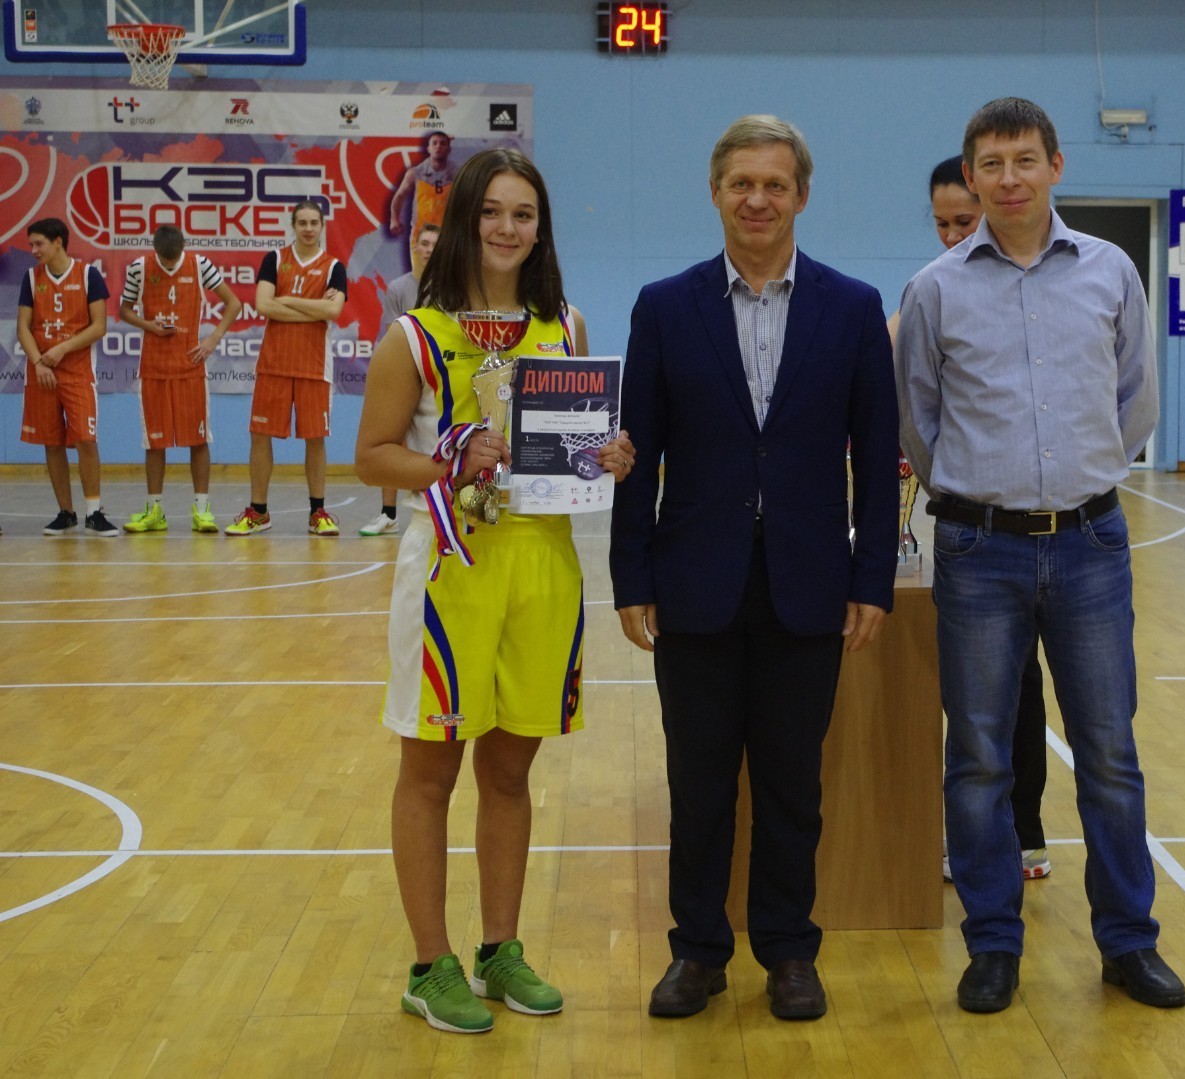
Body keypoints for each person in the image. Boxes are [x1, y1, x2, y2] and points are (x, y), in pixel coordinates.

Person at [895, 98, 1183, 1014]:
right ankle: (992, 942)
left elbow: (1137, 399)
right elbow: (918, 420)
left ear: (1056, 165)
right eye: (991, 163)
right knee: (980, 756)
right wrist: (979, 493)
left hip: (1092, 543)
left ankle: (1128, 942)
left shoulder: (1111, 271)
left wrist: (1083, 481)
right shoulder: (934, 289)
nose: (1009, 178)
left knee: (1109, 752)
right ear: (970, 178)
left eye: (1025, 159)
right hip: (979, 550)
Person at [610, 115, 898, 1022]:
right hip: (694, 584)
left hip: (809, 585)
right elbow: (637, 452)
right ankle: (696, 951)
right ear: (715, 192)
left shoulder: (852, 307)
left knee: (791, 786)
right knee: (697, 786)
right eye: (742, 183)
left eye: (775, 184)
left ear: (801, 195)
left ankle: (789, 948)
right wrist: (630, 576)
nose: (758, 199)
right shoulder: (664, 306)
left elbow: (877, 452)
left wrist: (873, 578)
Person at [357, 147, 635, 1034]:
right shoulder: (415, 333)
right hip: (452, 567)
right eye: (492, 211)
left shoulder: (567, 327)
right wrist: (449, 458)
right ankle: (428, 962)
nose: (508, 228)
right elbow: (372, 456)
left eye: (524, 214)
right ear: (463, 219)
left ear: (540, 228)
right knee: (430, 769)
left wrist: (611, 454)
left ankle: (499, 949)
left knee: (511, 768)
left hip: (545, 565)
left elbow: (578, 450)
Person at [890, 156, 1053, 885]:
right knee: (976, 697)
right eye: (943, 223)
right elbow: (913, 416)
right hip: (970, 527)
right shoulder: (926, 299)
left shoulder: (1041, 298)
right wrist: (944, 491)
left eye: (965, 221)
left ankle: (1027, 831)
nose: (955, 234)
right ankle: (973, 839)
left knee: (1024, 684)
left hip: (1049, 527)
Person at [226, 201, 347, 536]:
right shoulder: (275, 260)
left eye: (314, 223)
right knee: (260, 435)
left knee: (315, 438)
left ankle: (317, 512)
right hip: (274, 363)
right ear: (293, 225)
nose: (308, 228)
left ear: (322, 226)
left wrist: (289, 301)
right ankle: (259, 512)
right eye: (302, 223)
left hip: (314, 365)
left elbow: (333, 312)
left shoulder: (334, 267)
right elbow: (263, 304)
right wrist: (314, 308)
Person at [118, 224, 243, 534]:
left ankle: (202, 509)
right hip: (154, 367)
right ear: (156, 252)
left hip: (190, 365)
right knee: (154, 442)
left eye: (175, 260)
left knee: (198, 440)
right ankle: (154, 511)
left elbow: (234, 303)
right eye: (165, 260)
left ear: (184, 249)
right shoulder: (139, 268)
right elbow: (124, 311)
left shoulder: (200, 265)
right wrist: (149, 325)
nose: (171, 264)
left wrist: (213, 339)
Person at [16, 217, 115, 537]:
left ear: (58, 241)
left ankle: (94, 512)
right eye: (31, 245)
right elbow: (23, 327)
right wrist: (39, 362)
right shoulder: (31, 278)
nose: (33, 250)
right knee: (52, 442)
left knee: (85, 439)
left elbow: (99, 327)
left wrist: (61, 349)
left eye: (39, 243)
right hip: (42, 372)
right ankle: (66, 512)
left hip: (77, 371)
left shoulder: (88, 275)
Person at [361, 223, 441, 537]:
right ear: (414, 247)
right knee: (390, 443)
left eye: (435, 244)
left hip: (436, 376)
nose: (429, 249)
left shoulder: (450, 287)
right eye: (425, 243)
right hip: (406, 374)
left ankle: (438, 507)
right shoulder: (398, 288)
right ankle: (388, 514)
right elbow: (391, 334)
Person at [389, 132, 455, 274]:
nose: (438, 146)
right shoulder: (415, 173)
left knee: (446, 280)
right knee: (420, 279)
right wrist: (394, 219)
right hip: (420, 235)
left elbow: (469, 201)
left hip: (448, 236)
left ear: (449, 149)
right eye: (434, 143)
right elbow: (399, 196)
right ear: (428, 148)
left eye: (443, 143)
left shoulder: (458, 173)